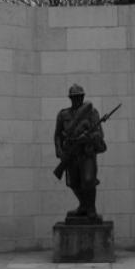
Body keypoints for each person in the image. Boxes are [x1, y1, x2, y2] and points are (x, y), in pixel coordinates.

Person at [54, 84, 106, 220]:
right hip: (71, 154)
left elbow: (99, 134)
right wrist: (59, 150)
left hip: (86, 153)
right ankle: (83, 206)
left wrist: (87, 137)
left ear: (83, 97)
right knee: (73, 183)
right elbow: (58, 135)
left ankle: (91, 208)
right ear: (70, 98)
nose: (77, 99)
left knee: (88, 180)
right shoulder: (63, 114)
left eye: (79, 96)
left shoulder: (92, 112)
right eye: (74, 97)